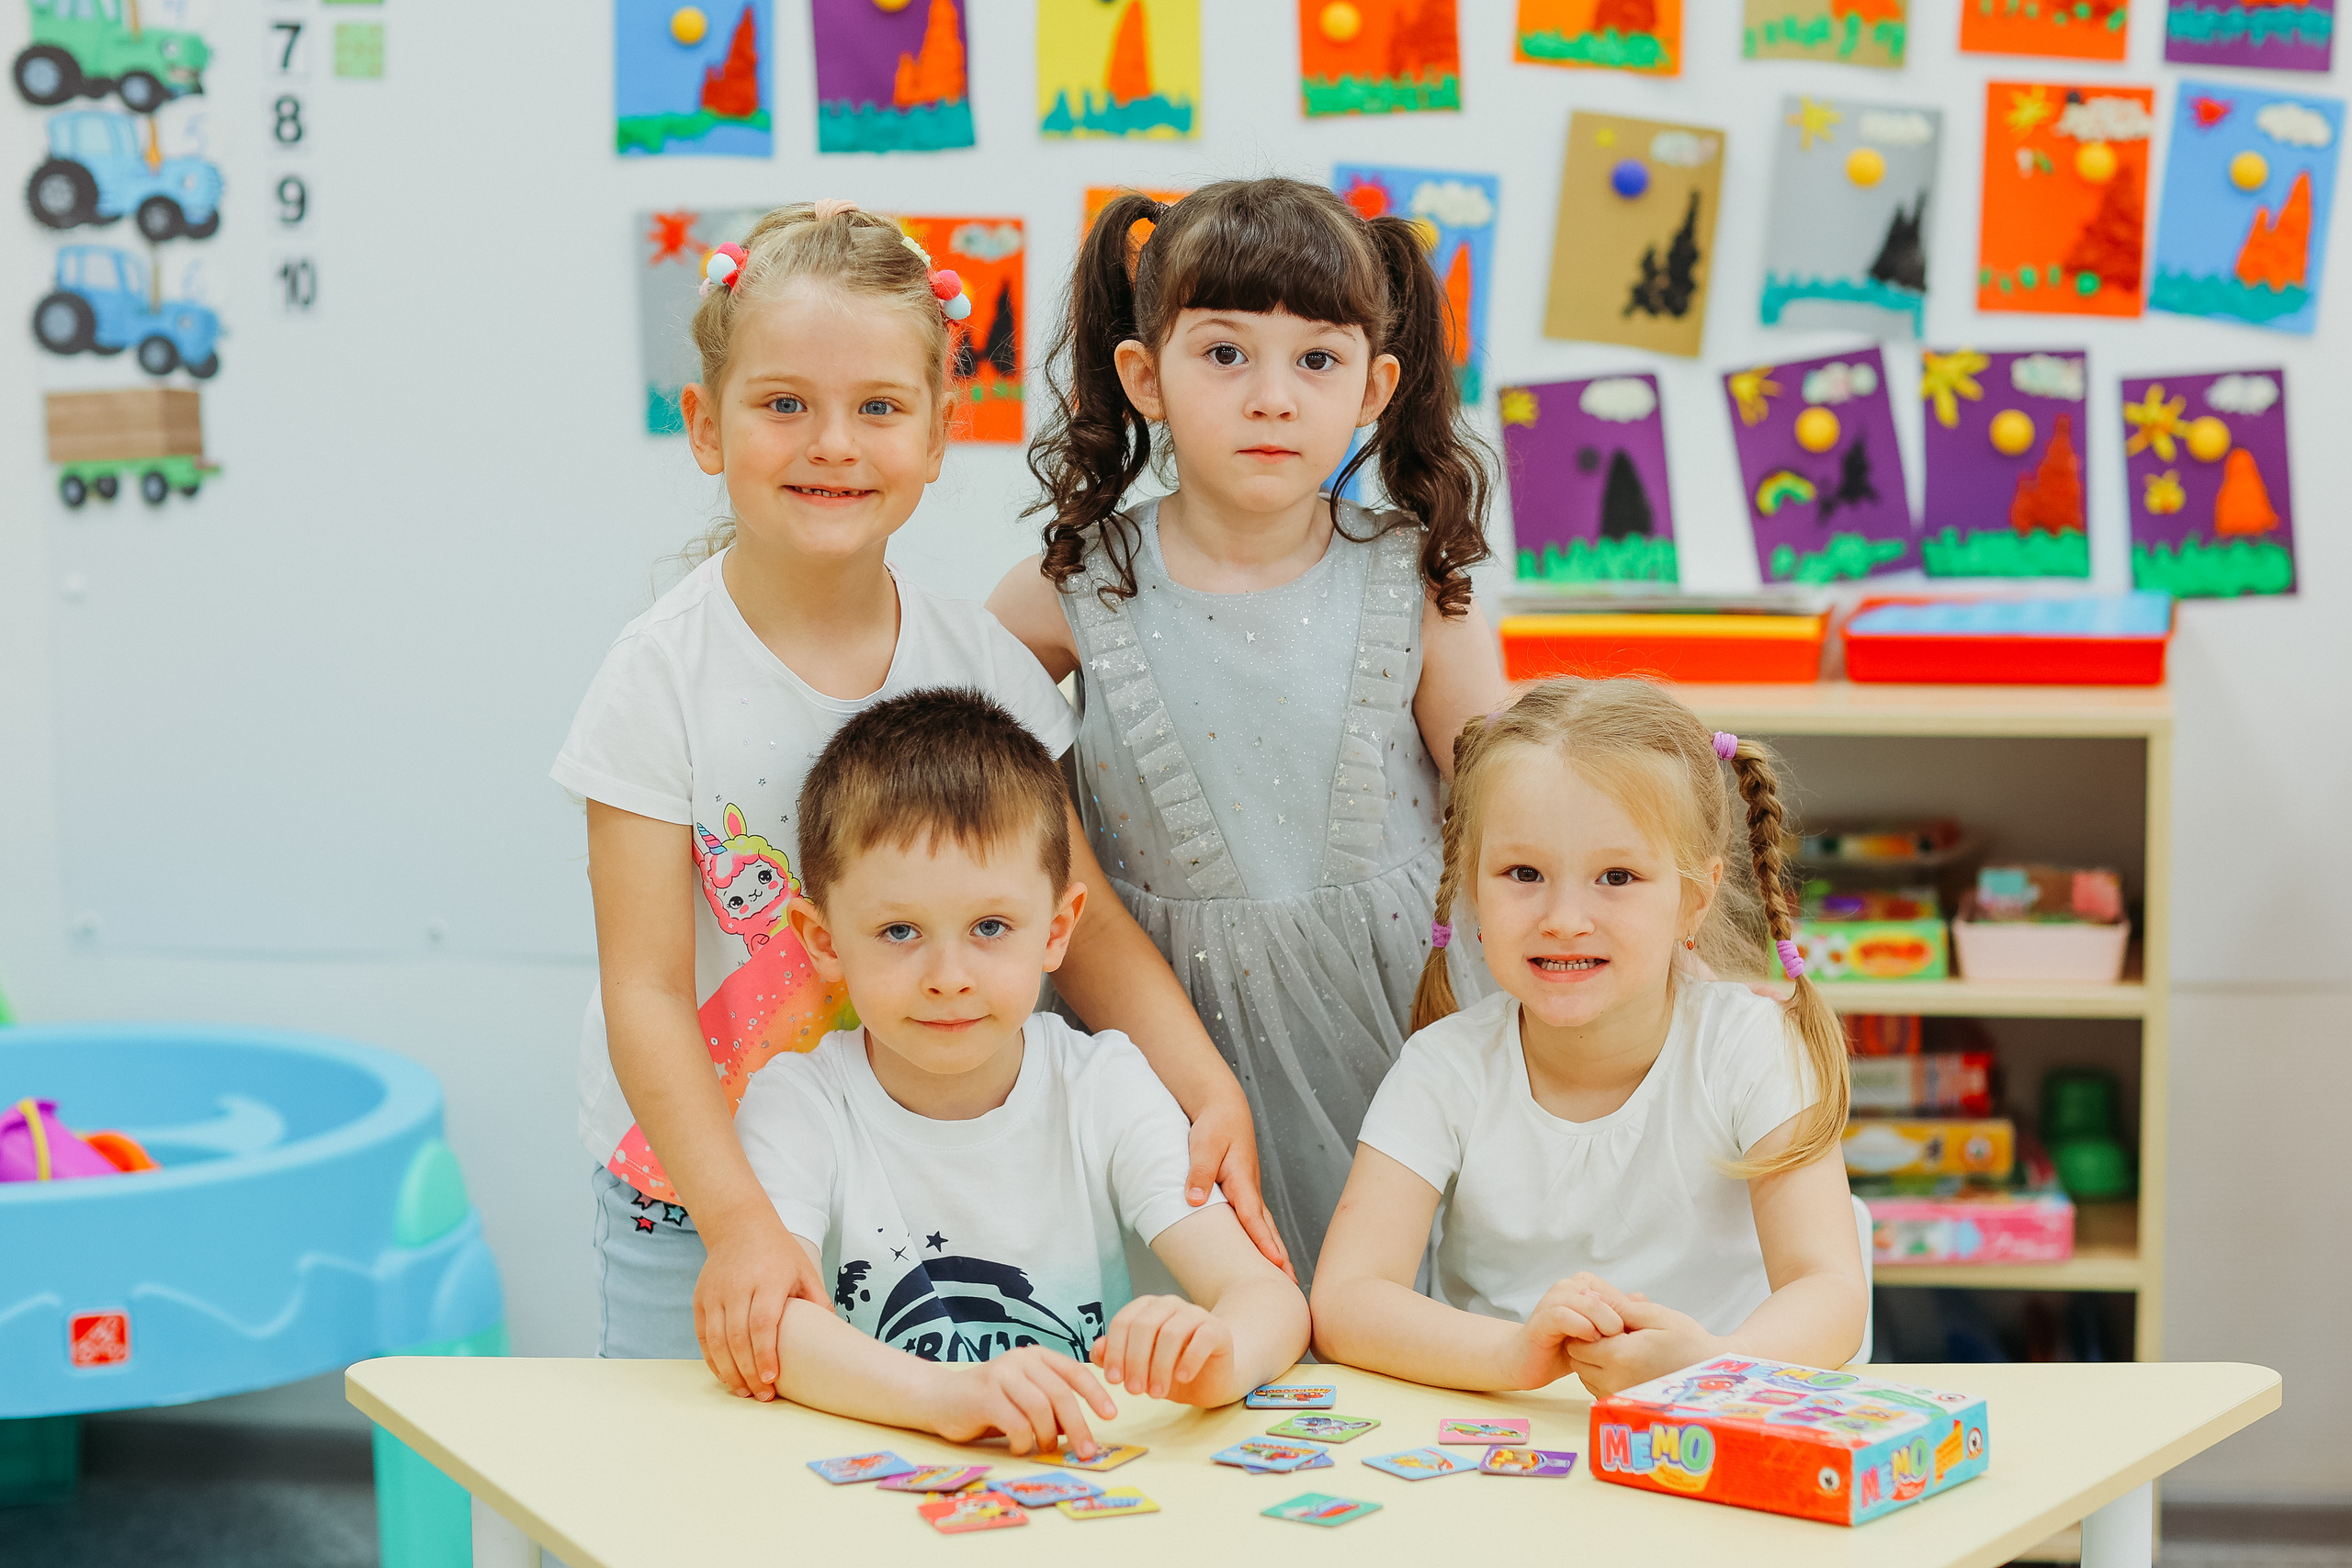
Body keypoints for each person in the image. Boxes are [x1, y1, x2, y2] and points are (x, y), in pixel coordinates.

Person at [550, 201, 1282, 1403]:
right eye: (784, 403)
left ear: (941, 435)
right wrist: (739, 1223)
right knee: (693, 1467)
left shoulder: (982, 661)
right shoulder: (658, 676)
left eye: (880, 408)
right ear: (706, 425)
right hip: (701, 1191)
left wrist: (1206, 1087)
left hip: (917, 1170)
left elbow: (1083, 917)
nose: (833, 443)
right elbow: (643, 988)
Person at [989, 177, 1505, 1280]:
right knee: (1205, 1318)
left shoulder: (1414, 579)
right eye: (1225, 353)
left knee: (1402, 1307)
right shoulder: (1072, 587)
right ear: (1146, 378)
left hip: (1398, 1020)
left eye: (1315, 360)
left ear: (1372, 388)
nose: (1272, 398)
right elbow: (966, 772)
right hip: (1161, 1030)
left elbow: (1515, 801)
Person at [739, 690, 1309, 1452]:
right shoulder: (795, 1105)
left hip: (1077, 1490)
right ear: (824, 941)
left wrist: (1216, 1355)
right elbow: (772, 1323)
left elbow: (1271, 1298)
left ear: (1057, 928)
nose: (949, 977)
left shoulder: (1104, 1086)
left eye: (990, 926)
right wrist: (948, 1396)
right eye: (899, 930)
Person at [1307, 679, 1866, 1397]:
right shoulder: (1442, 1068)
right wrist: (1515, 1355)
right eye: (1524, 873)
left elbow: (1831, 1290)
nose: (1564, 919)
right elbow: (1346, 1299)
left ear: (1693, 900)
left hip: (1721, 1414)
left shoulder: (1752, 1048)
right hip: (1511, 1427)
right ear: (1474, 886)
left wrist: (1715, 1365)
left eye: (1616, 876)